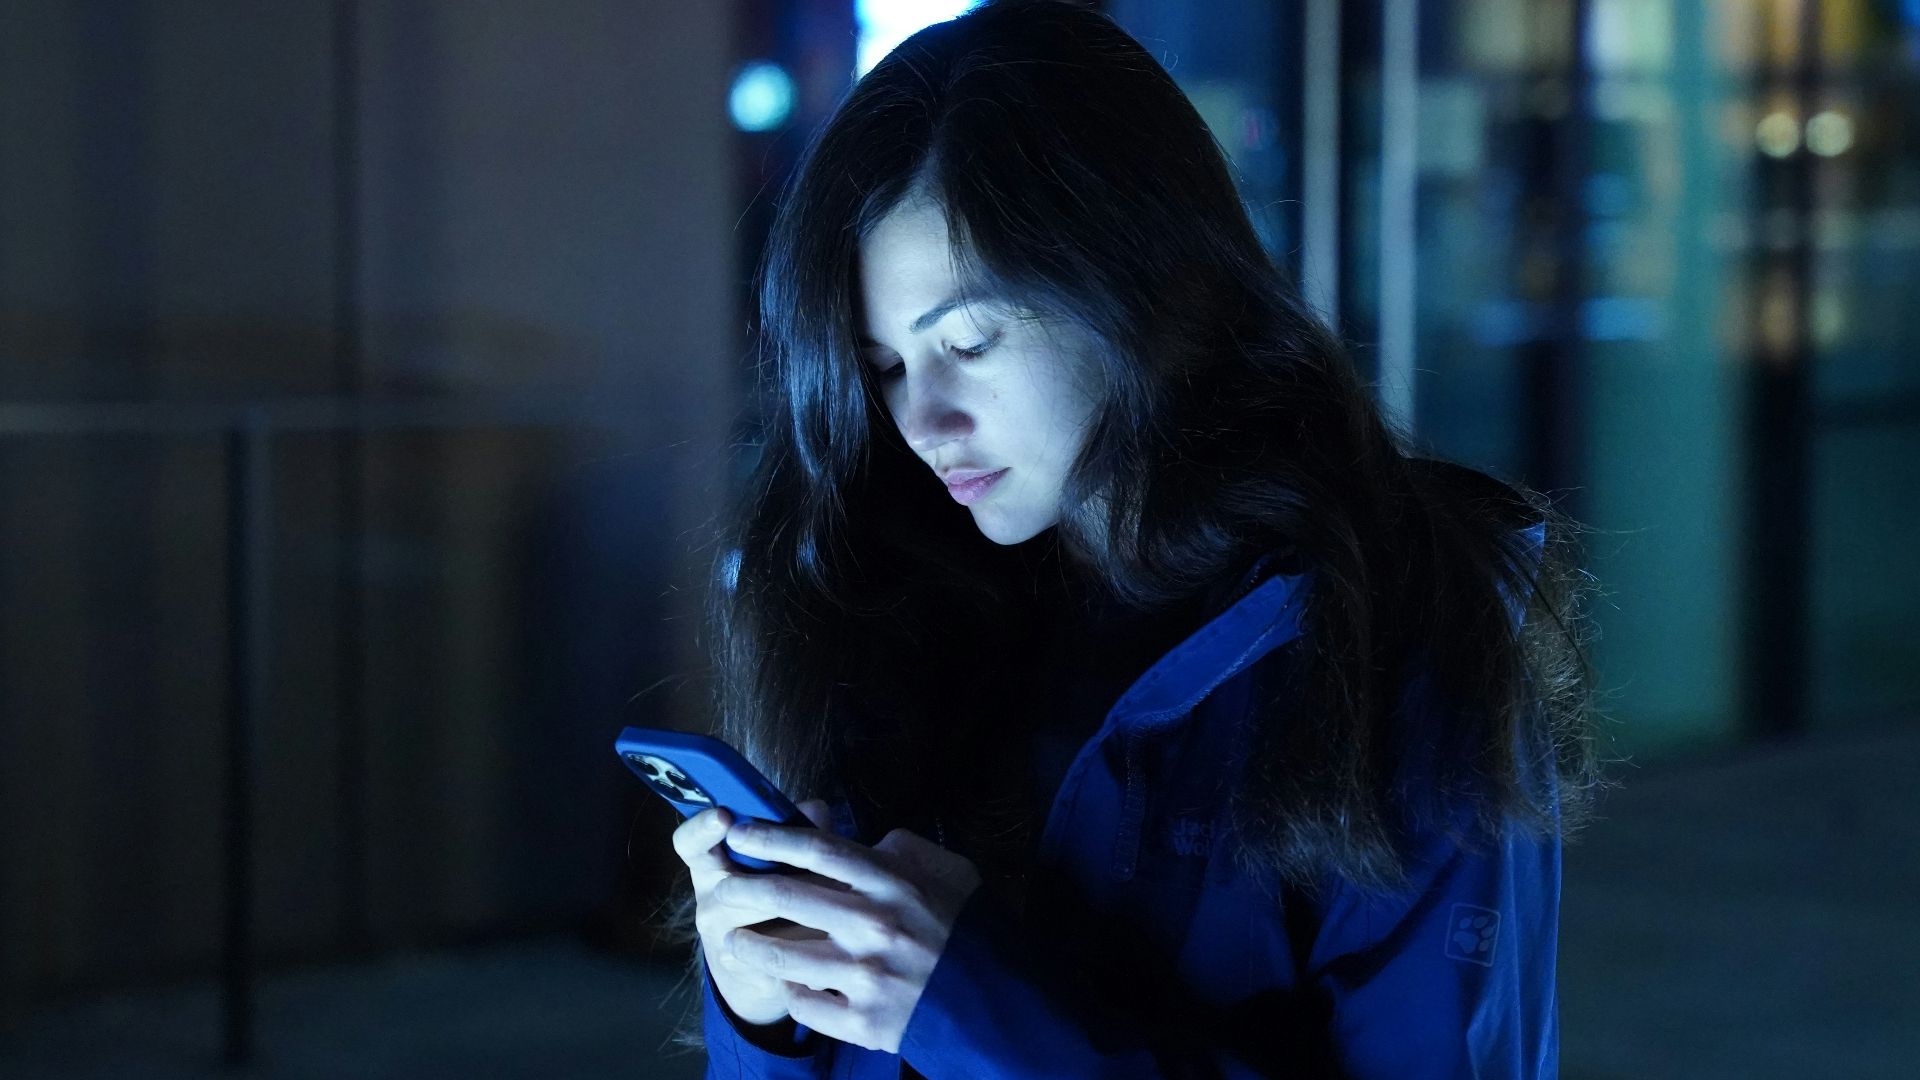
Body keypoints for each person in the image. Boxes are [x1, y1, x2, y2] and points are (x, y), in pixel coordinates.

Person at [658, 1, 1608, 1076]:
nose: (923, 422)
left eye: (967, 340)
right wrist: (768, 1010)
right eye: (882, 367)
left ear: (1144, 284)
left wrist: (966, 1007)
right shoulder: (891, 599)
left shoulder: (1397, 635)